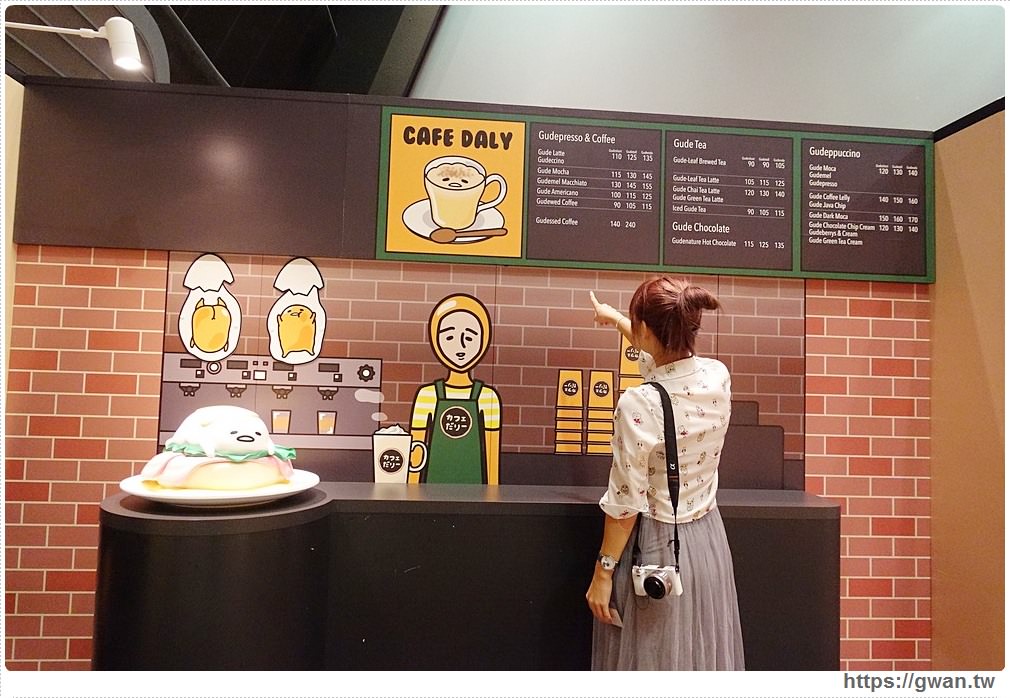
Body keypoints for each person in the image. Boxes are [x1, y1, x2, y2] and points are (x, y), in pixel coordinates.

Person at [586, 277, 745, 670]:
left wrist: (603, 573)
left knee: (653, 659)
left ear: (645, 329)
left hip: (657, 543)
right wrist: (616, 320)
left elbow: (625, 504)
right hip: (707, 540)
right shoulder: (716, 375)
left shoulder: (639, 404)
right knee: (698, 656)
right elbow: (659, 358)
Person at [408, 293, 501, 484]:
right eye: (449, 336)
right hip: (430, 492)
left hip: (476, 492)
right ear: (436, 340)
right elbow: (416, 452)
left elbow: (492, 460)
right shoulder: (428, 395)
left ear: (483, 341)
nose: (461, 345)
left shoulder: (487, 397)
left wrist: (492, 495)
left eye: (470, 337)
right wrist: (410, 492)